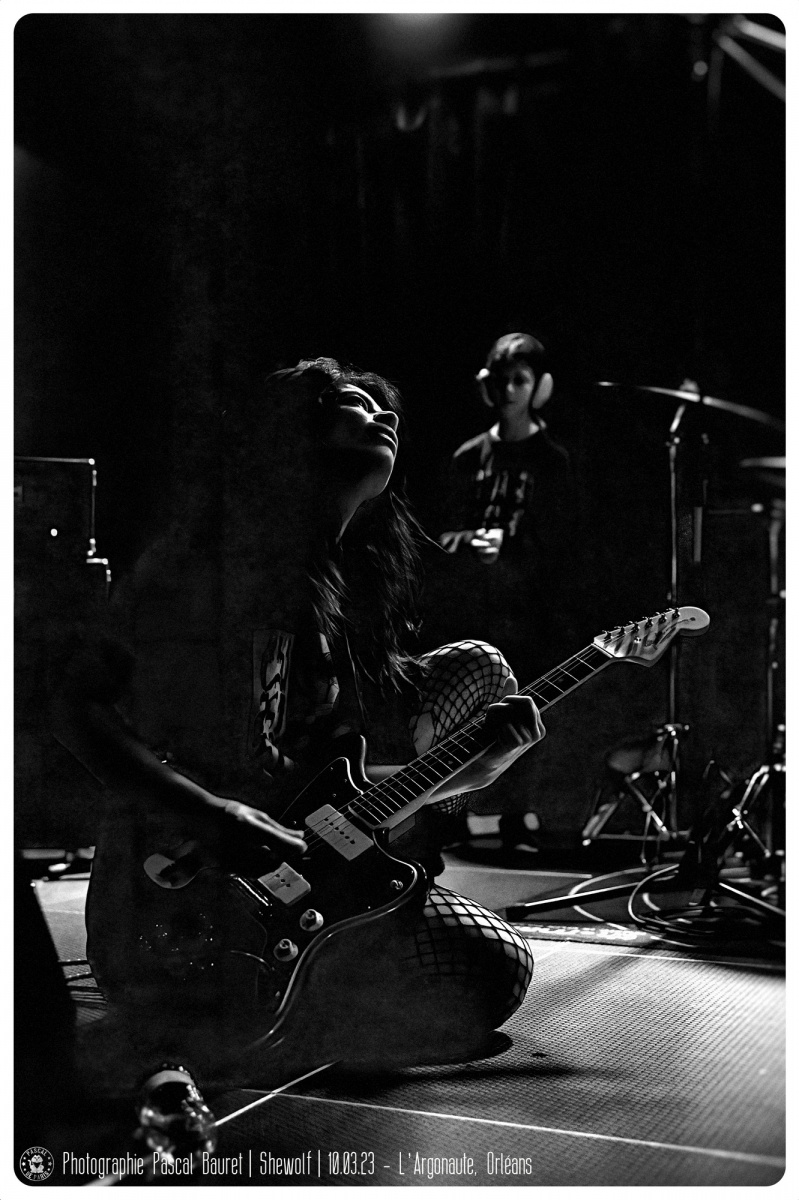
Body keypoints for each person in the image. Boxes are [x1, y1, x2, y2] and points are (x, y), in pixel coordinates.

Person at [52, 357, 546, 1114]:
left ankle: (292, 983)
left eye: (385, 410)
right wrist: (208, 812)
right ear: (291, 433)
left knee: (496, 965)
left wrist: (471, 774)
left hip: (284, 885)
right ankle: (252, 1000)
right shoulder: (202, 561)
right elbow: (72, 708)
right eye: (354, 405)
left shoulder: (341, 590)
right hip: (168, 903)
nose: (383, 417)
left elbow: (315, 800)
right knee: (471, 977)